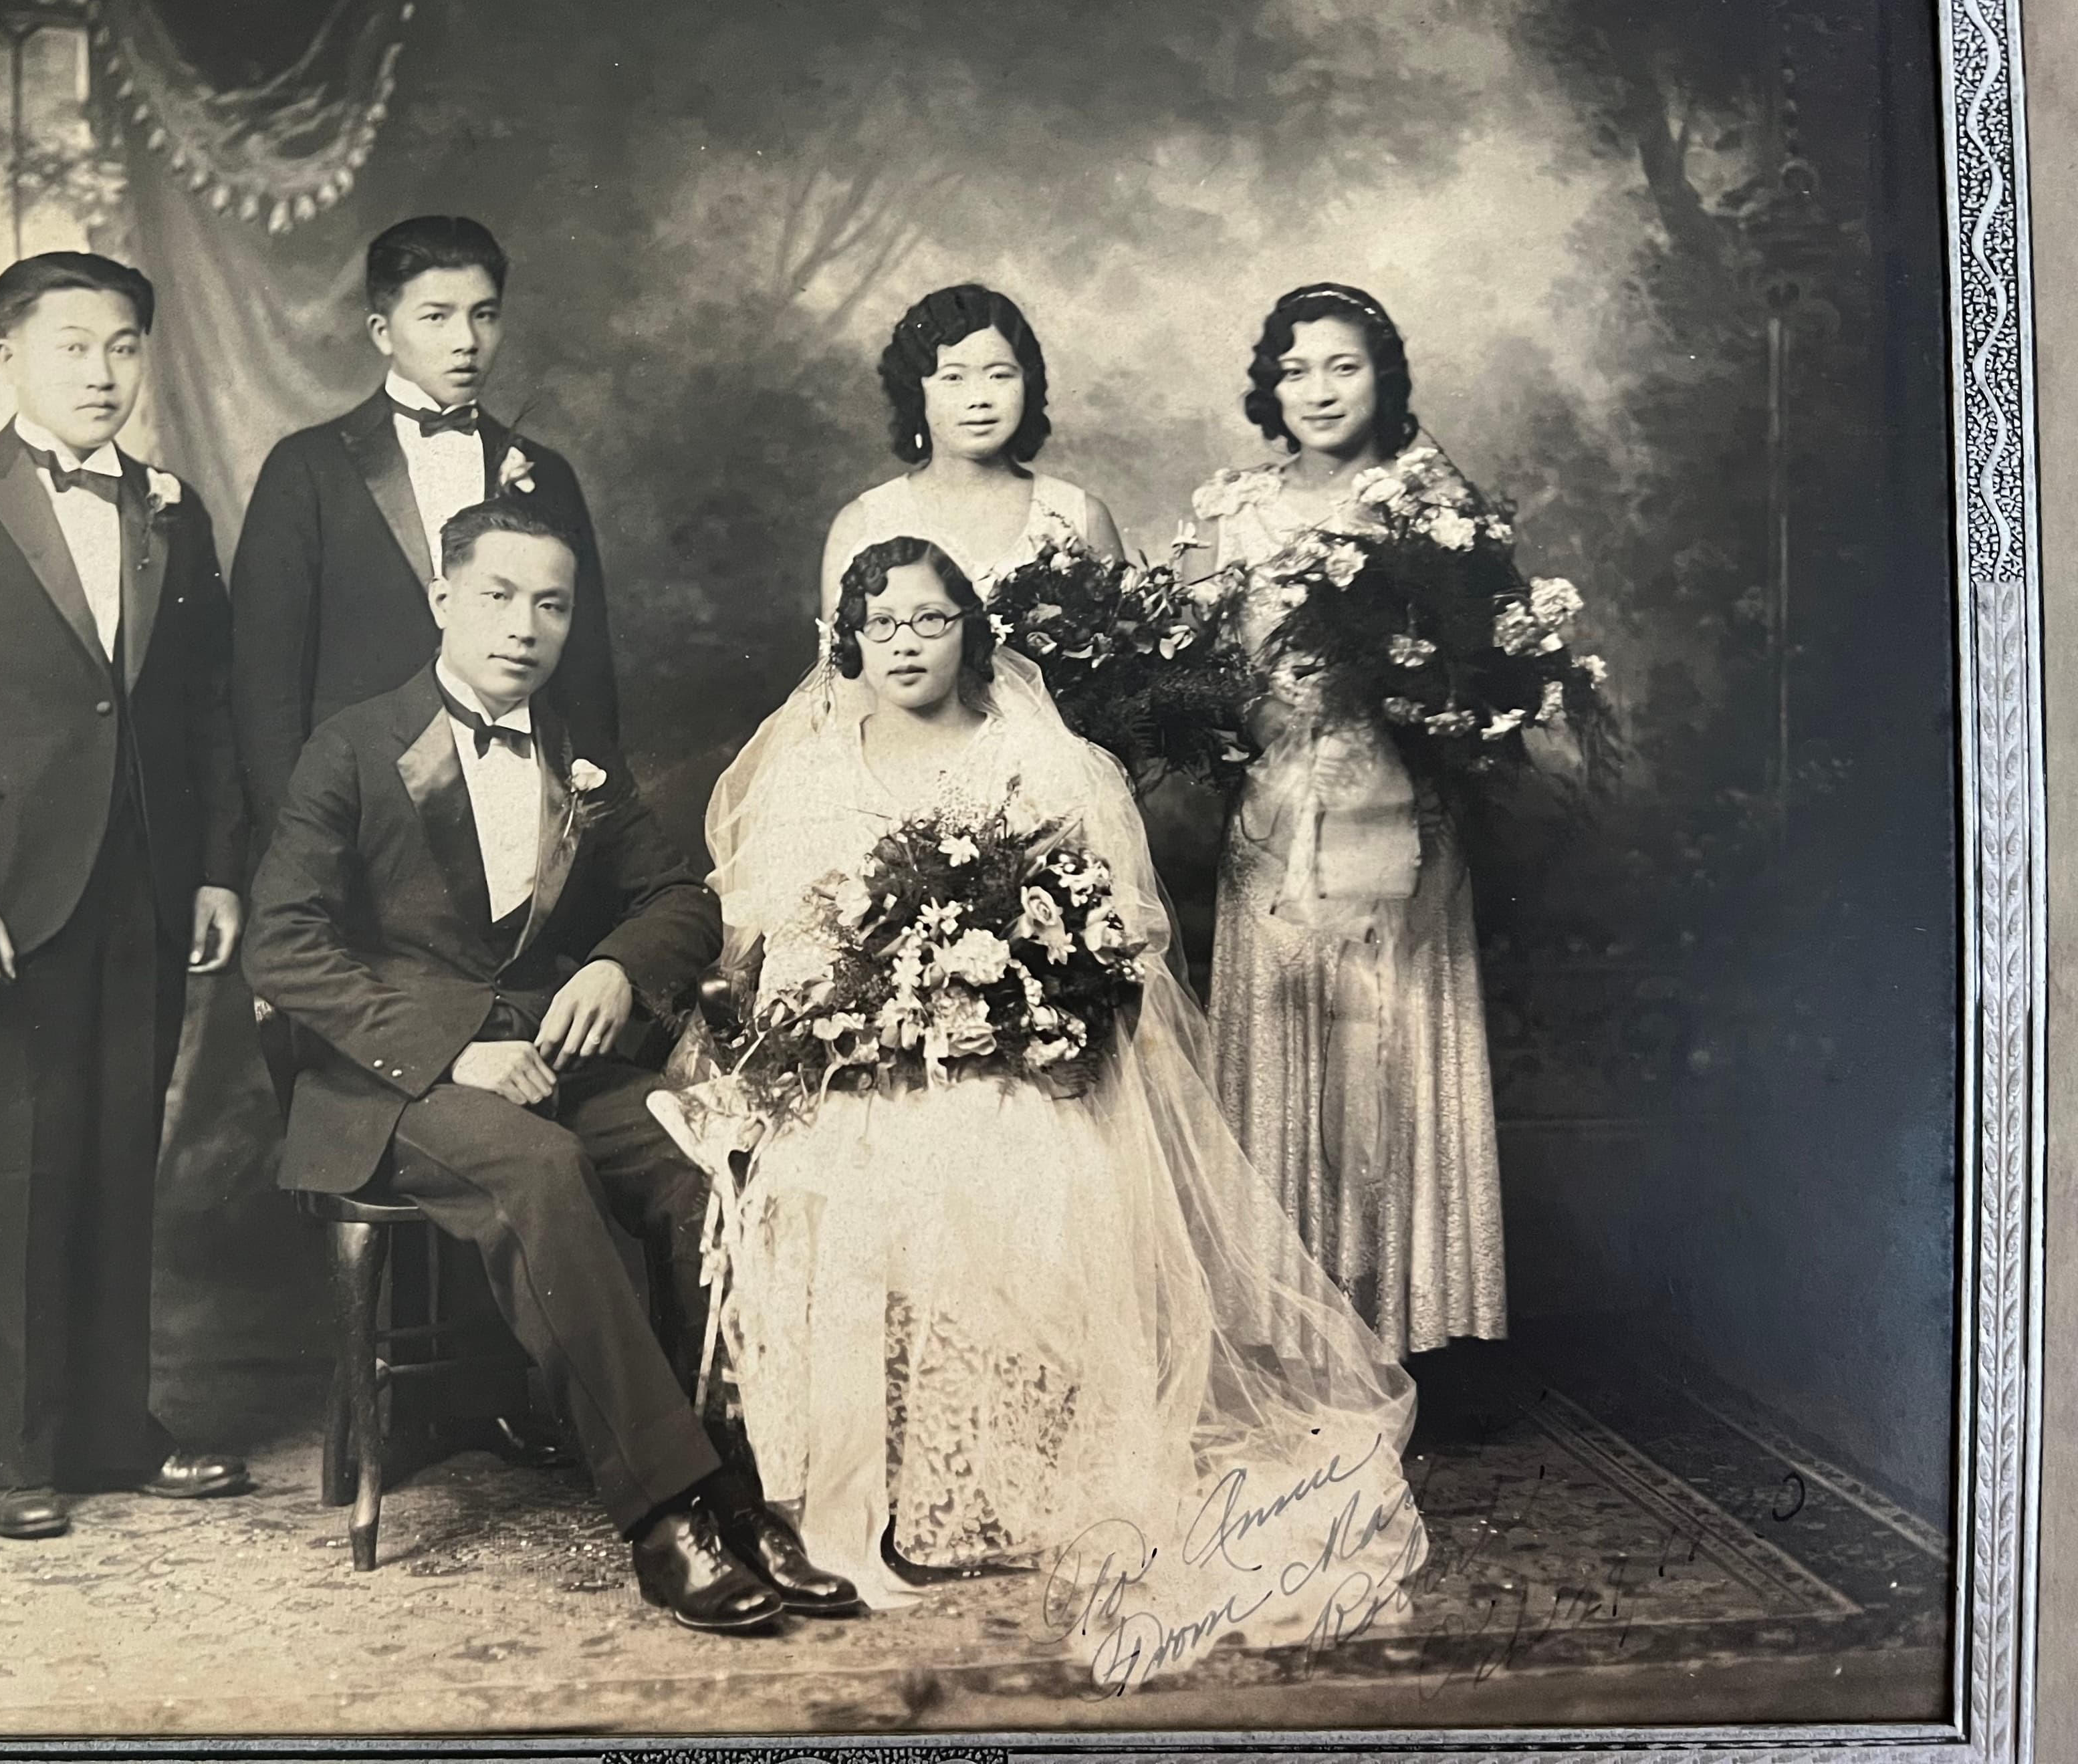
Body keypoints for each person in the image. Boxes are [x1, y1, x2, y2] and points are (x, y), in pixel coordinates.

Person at [671, 535, 1423, 1682]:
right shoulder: (816, 769)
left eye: (932, 620)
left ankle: (1005, 1487)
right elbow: (781, 947)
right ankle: (862, 1487)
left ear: (974, 632)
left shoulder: (1041, 759)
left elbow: (1116, 939)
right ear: (850, 644)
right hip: (863, 1066)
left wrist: (1016, 1009)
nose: (909, 644)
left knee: (1020, 1148)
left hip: (1017, 1060)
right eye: (885, 626)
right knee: (851, 1166)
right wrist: (875, 1018)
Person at [243, 499, 860, 1635]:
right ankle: (670, 1509)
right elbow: (280, 941)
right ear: (442, 599)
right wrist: (452, 1054)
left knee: (702, 1158)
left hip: (547, 1055)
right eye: (497, 595)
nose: (524, 625)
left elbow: (680, 895)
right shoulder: (355, 744)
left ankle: (745, 1480)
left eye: (552, 603)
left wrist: (621, 969)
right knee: (542, 1172)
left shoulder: (575, 753)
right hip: (396, 1080)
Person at [0, 251, 251, 1540]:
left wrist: (211, 869)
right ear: (9, 356)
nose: (102, 371)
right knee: (8, 1178)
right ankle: (13, 1459)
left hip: (140, 893)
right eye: (73, 344)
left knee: (111, 1170)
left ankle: (109, 1430)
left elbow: (203, 711)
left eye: (125, 345)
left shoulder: (173, 512)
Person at [229, 213, 610, 1464]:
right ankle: (398, 1409)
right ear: (383, 327)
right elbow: (264, 686)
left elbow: (587, 685)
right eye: (439, 316)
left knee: (534, 1105)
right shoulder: (311, 467)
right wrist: (295, 866)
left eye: (486, 314)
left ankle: (503, 1390)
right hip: (366, 863)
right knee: (426, 1092)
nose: (467, 340)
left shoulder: (540, 472)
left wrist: (584, 845)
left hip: (509, 857)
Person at [1193, 283, 1547, 1361]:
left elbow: (1492, 672)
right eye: (1296, 369)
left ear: (1383, 376)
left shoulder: (1432, 506)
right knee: (1289, 1047)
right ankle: (1283, 1341)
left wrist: (1413, 696)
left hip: (1402, 833)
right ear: (1271, 386)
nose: (1318, 390)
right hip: (1274, 826)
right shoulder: (1230, 511)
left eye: (1343, 365)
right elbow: (1197, 682)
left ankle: (1407, 1329)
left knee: (1389, 1054)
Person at [817, 283, 1123, 614]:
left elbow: (1127, 650)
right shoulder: (864, 523)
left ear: (1027, 383)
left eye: (1000, 376)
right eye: (953, 378)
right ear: (916, 392)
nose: (979, 399)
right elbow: (837, 663)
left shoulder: (1081, 515)